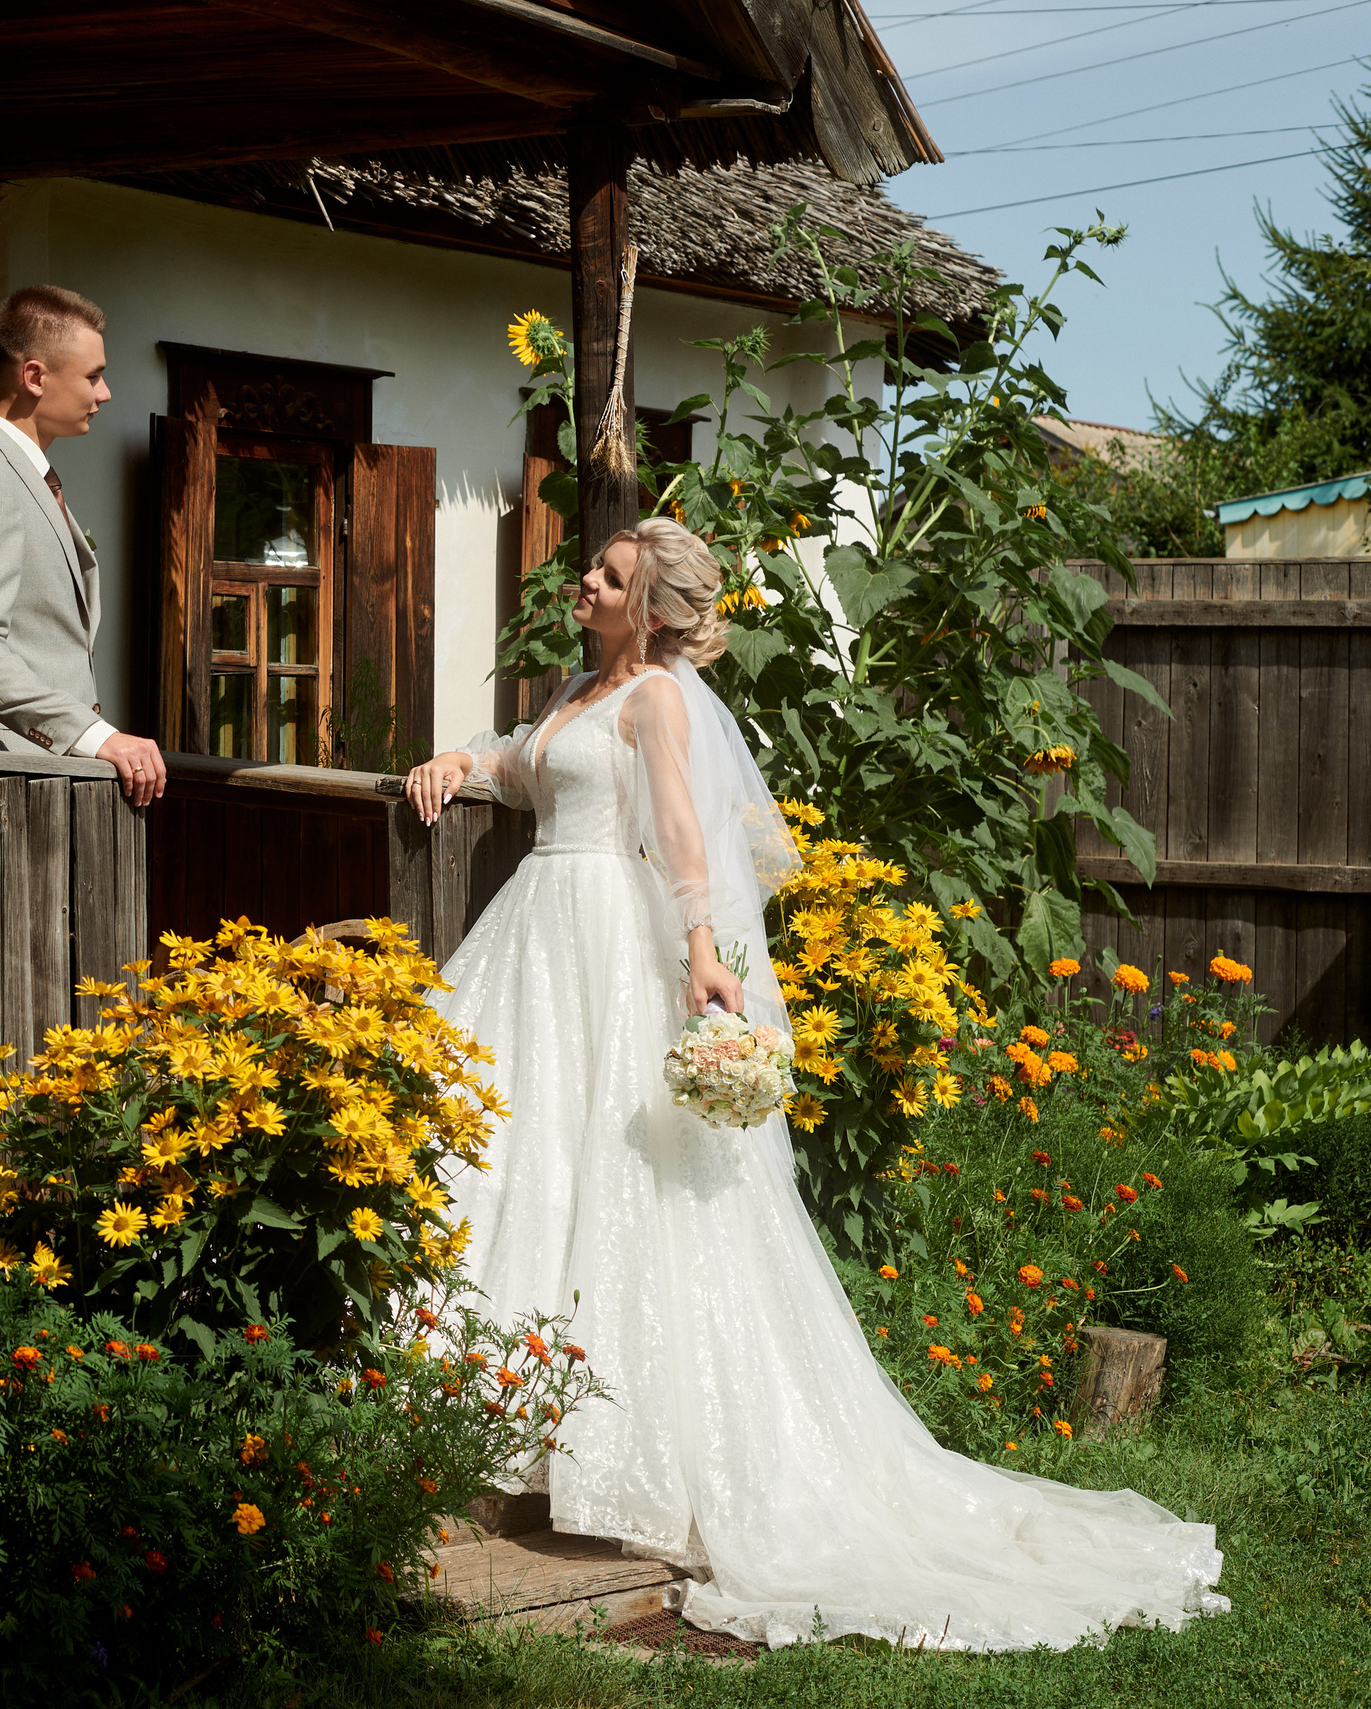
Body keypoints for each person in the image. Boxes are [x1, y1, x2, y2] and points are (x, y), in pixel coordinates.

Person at [399, 518, 1226, 1652]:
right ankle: (490, 1426)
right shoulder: (574, 691)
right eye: (593, 568)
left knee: (618, 1177)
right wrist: (459, 760)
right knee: (518, 1159)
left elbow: (685, 831)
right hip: (535, 942)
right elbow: (527, 764)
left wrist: (701, 947)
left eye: (608, 575)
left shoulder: (655, 702)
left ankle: (620, 1448)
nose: (582, 582)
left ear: (648, 609)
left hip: (608, 940)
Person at [0, 285, 165, 807]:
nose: (105, 394)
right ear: (34, 376)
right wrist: (97, 736)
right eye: (93, 376)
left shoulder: (26, 476)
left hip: (41, 791)